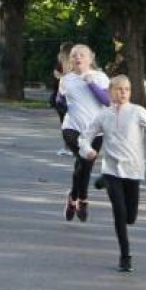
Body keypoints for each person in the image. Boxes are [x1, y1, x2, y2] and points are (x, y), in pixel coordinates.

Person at [80, 75, 146, 273]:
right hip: (112, 169)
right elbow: (85, 137)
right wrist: (87, 150)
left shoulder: (138, 112)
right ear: (110, 92)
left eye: (127, 89)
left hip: (133, 170)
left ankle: (103, 182)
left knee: (131, 217)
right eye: (118, 89)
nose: (123, 93)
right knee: (120, 213)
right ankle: (125, 256)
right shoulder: (103, 115)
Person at [57, 44, 110, 223]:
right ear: (70, 60)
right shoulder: (66, 80)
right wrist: (61, 103)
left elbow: (107, 100)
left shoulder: (100, 77)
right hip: (72, 129)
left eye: (82, 55)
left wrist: (90, 82)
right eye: (73, 56)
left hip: (96, 132)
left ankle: (73, 198)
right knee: (84, 160)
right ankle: (83, 200)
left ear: (91, 58)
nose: (77, 58)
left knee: (84, 166)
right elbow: (59, 101)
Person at [52, 41, 73, 155]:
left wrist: (63, 78)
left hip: (63, 95)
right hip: (73, 96)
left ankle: (68, 147)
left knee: (65, 122)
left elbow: (56, 73)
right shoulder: (78, 62)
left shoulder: (62, 60)